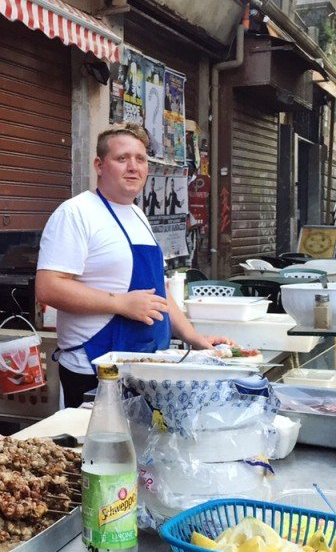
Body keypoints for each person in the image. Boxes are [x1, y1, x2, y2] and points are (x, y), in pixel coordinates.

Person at [36, 123, 231, 407]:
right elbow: (48, 287)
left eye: (140, 159)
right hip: (95, 370)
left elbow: (158, 294)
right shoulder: (77, 212)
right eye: (122, 158)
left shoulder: (138, 215)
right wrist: (121, 304)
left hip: (147, 367)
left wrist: (194, 338)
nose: (133, 167)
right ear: (99, 165)